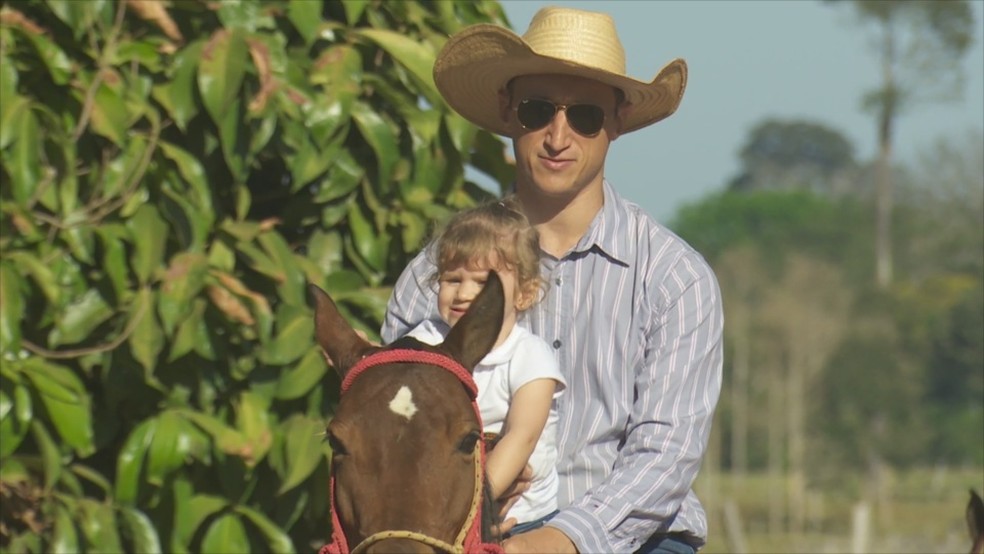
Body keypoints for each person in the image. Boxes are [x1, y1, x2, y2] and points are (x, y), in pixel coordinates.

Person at [382, 6, 723, 554]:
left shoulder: (674, 280)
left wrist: (561, 539)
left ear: (618, 120)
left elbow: (666, 450)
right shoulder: (432, 276)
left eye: (585, 115)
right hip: (459, 533)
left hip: (638, 542)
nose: (557, 136)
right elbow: (396, 420)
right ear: (506, 110)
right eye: (538, 110)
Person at [404, 196, 567, 533]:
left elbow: (520, 437)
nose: (464, 293)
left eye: (482, 283)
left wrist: (475, 507)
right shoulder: (427, 340)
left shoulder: (529, 356)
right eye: (452, 280)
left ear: (524, 293)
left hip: (521, 519)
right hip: (438, 509)